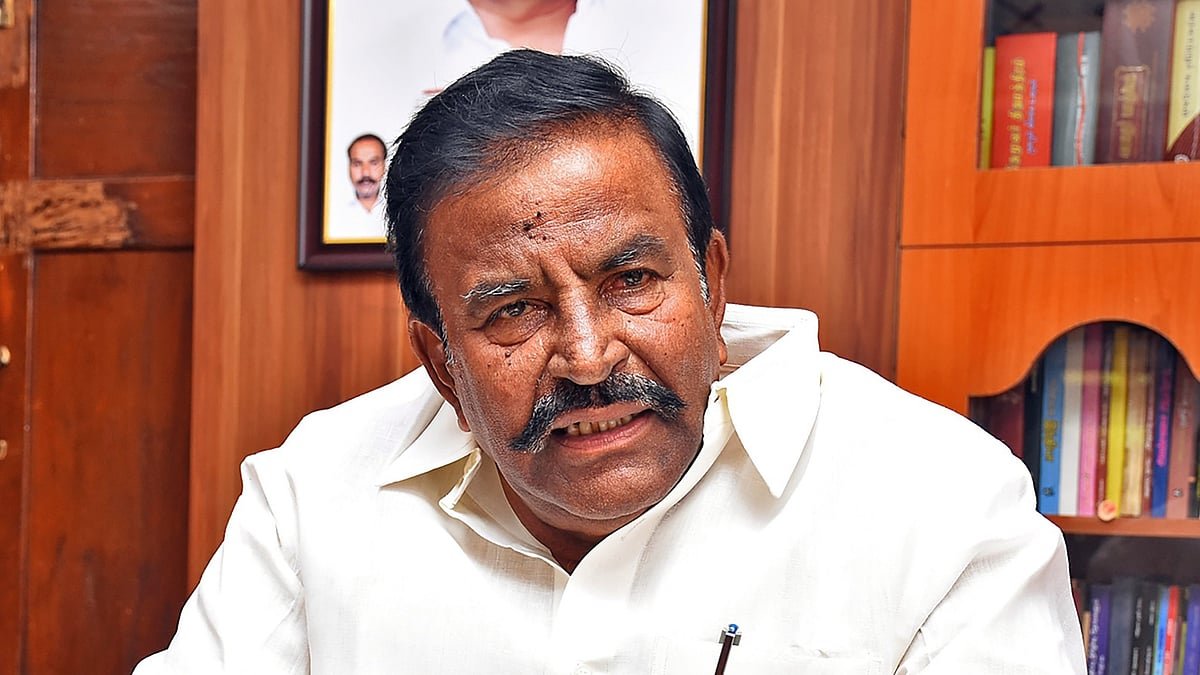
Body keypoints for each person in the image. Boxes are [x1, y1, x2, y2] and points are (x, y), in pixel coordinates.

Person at [136, 50, 1086, 673]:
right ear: (440, 363)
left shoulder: (943, 505)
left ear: (712, 285)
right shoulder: (311, 496)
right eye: (513, 310)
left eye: (632, 280)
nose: (588, 357)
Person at [329, 133, 388, 240]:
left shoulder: (398, 209)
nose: (365, 173)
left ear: (385, 166)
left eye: (373, 163)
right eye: (357, 164)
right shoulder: (331, 212)